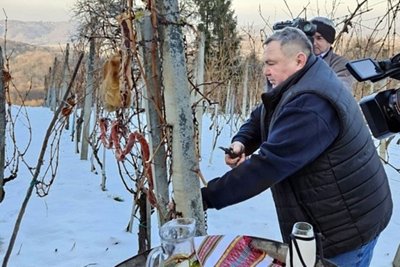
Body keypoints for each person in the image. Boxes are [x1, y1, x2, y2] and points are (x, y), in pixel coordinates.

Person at [200, 27, 393, 267]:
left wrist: (207, 197)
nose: (265, 70)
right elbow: (264, 114)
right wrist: (243, 142)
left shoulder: (311, 104)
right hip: (339, 212)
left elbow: (267, 166)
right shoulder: (305, 76)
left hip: (345, 228)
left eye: (271, 63)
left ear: (298, 59)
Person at [310, 16, 354, 91]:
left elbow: (341, 91)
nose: (314, 43)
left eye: (319, 38)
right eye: (311, 37)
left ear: (329, 41)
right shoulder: (299, 59)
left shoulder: (341, 64)